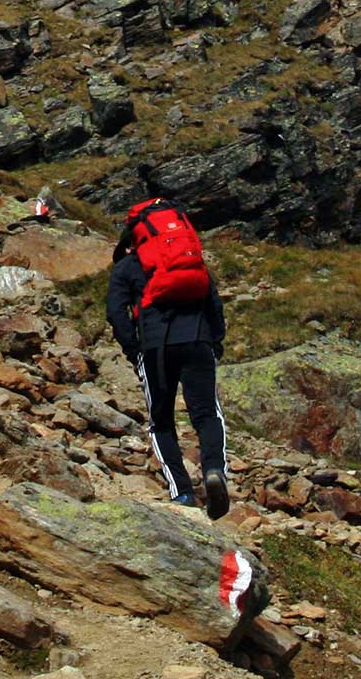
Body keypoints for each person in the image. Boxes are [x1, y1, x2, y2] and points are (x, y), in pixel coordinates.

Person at [106, 193, 230, 518]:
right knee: (206, 415)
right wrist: (215, 341)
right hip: (198, 341)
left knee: (161, 423)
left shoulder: (127, 268)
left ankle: (183, 493)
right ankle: (215, 470)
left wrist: (133, 351)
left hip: (155, 349)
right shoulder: (190, 260)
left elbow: (116, 313)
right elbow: (213, 302)